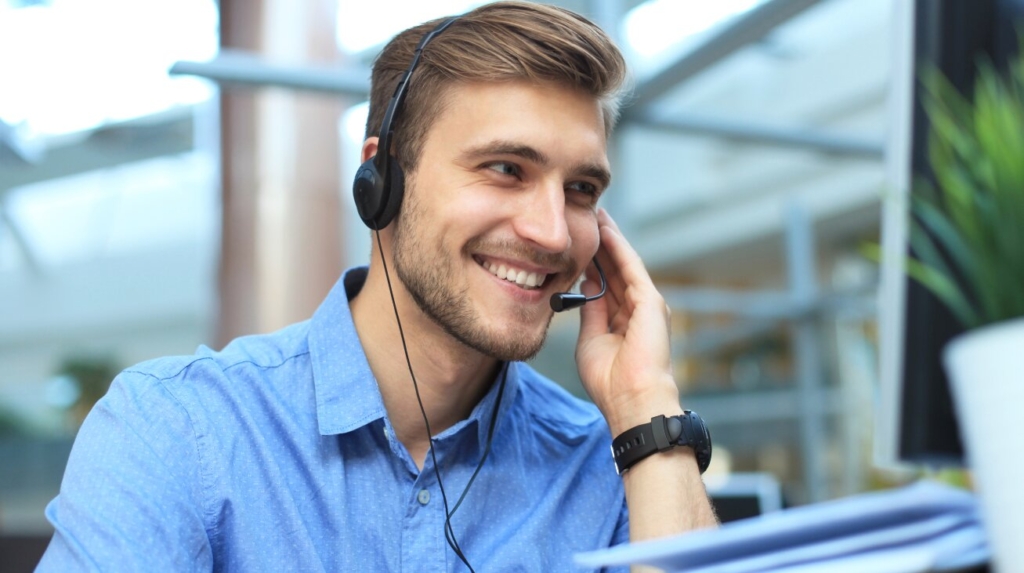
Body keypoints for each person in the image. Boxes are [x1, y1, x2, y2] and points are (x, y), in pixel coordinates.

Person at [37, 2, 717, 571]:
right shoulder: (176, 430)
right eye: (506, 168)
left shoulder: (614, 465)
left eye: (581, 189)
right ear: (381, 180)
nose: (551, 232)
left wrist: (646, 402)